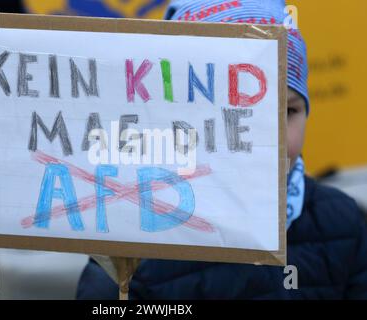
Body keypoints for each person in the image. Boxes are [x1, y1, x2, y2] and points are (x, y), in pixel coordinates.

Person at [76, 0, 367, 299]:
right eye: (228, 113)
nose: (264, 138)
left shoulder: (343, 223)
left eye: (286, 112)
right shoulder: (132, 247)